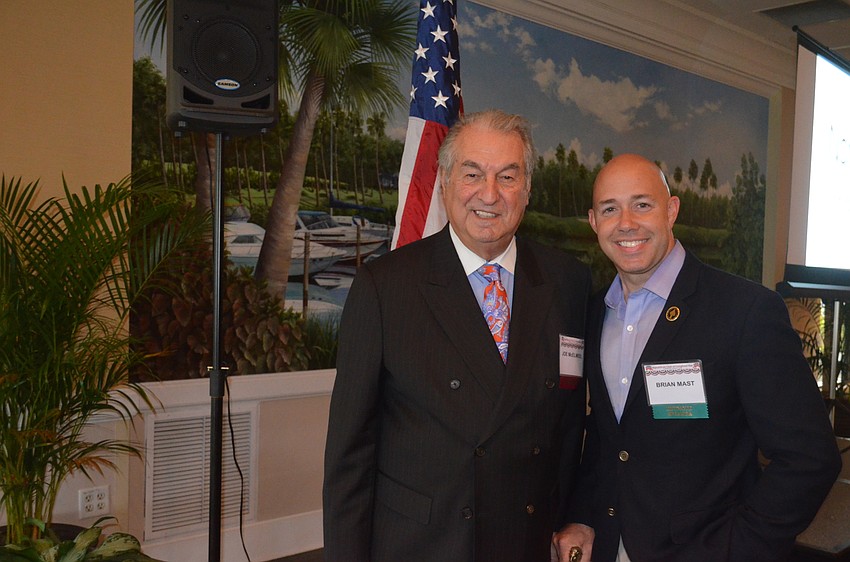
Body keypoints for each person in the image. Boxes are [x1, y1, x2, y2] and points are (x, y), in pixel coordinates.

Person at [323, 109, 592, 562]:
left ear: (526, 191)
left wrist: (574, 516)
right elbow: (350, 456)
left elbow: (571, 425)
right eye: (473, 173)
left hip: (527, 540)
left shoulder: (568, 281)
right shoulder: (384, 287)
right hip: (424, 543)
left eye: (508, 176)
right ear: (444, 181)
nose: (490, 194)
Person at [552, 153, 841, 562]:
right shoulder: (596, 312)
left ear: (671, 211)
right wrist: (581, 516)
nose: (627, 222)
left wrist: (737, 549)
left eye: (642, 204)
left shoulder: (745, 311)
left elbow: (809, 459)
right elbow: (606, 437)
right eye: (610, 209)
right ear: (594, 222)